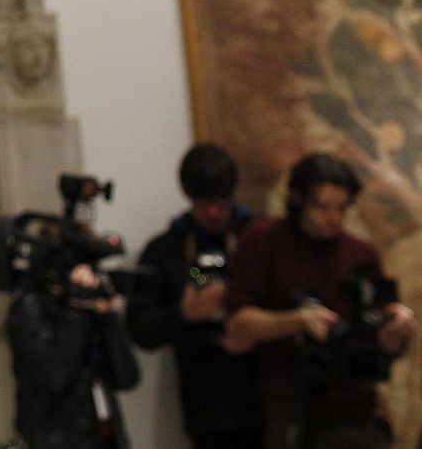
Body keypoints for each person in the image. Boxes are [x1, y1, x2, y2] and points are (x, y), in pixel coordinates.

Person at [225, 153, 418, 449]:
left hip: (356, 408)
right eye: (323, 207)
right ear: (298, 199)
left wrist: (395, 333)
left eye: (342, 208)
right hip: (290, 405)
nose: (334, 218)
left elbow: (380, 343)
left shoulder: (360, 253)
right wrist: (299, 320)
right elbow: (238, 323)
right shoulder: (263, 240)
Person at [127, 144, 264, 449]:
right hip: (208, 408)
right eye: (204, 203)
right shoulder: (166, 249)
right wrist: (183, 314)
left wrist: (257, 330)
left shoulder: (259, 238)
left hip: (268, 396)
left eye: (221, 201)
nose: (214, 212)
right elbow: (139, 330)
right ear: (189, 198)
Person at [6, 235, 140, 449]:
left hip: (104, 438)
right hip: (54, 439)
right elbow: (53, 377)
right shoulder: (30, 308)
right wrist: (77, 312)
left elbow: (127, 378)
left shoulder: (93, 309)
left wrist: (108, 321)